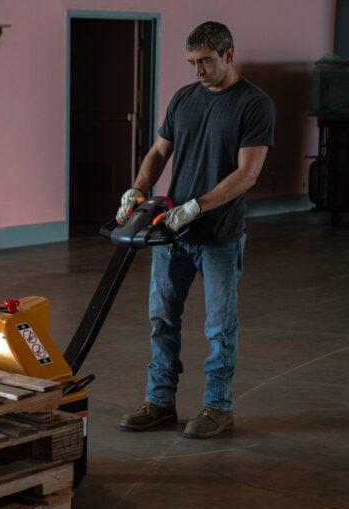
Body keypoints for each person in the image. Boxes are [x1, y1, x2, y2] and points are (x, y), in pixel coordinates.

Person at [116, 21, 275, 439]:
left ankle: (218, 408)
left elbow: (248, 174)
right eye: (192, 62)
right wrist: (137, 188)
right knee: (162, 320)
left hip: (219, 236)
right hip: (172, 235)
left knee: (220, 328)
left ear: (228, 55)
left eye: (205, 61)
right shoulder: (184, 98)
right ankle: (160, 402)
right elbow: (158, 151)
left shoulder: (254, 105)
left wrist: (196, 207)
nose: (198, 71)